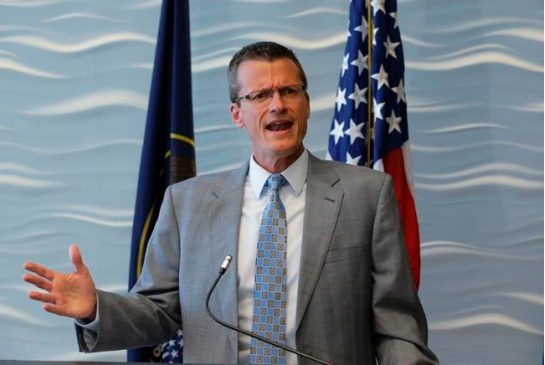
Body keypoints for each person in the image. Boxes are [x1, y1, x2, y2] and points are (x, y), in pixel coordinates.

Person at [23, 41, 439, 365]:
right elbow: (159, 311)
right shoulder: (187, 203)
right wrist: (96, 307)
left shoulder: (367, 194)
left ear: (307, 105)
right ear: (237, 114)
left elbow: (398, 327)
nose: (277, 103)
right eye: (260, 95)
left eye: (289, 90)